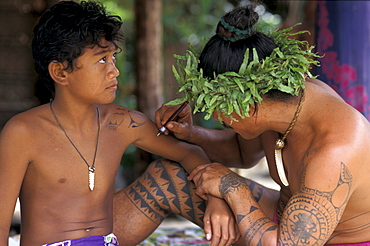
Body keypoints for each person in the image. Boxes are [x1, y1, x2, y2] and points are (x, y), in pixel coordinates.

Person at [0, 1, 240, 245]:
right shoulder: (23, 132)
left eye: (113, 57)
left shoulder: (123, 123)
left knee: (171, 171)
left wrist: (216, 200)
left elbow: (191, 153)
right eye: (102, 60)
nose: (114, 70)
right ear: (61, 72)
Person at [155, 3, 370, 245]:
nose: (216, 118)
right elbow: (241, 153)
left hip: (333, 241)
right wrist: (191, 134)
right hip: (282, 219)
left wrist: (234, 189)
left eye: (219, 109)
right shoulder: (279, 104)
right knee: (165, 178)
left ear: (248, 104)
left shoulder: (334, 151)